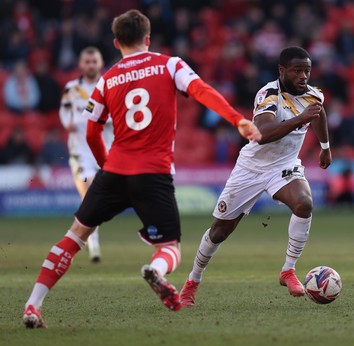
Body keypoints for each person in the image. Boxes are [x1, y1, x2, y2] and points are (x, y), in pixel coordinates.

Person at [22, 9, 261, 328]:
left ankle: (32, 306)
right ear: (148, 38)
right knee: (170, 247)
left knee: (76, 235)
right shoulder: (170, 64)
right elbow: (201, 90)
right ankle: (156, 272)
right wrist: (237, 119)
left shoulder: (106, 79)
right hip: (153, 172)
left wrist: (107, 168)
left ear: (116, 42)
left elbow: (92, 131)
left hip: (115, 170)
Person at [180, 46, 332, 306]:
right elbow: (262, 133)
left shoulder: (314, 95)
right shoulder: (268, 94)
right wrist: (299, 119)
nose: (303, 76)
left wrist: (325, 147)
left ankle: (288, 270)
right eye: (296, 71)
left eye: (306, 70)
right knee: (219, 231)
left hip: (284, 166)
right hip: (251, 168)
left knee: (304, 203)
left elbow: (318, 115)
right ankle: (192, 282)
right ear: (282, 71)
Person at [59, 46, 114, 262]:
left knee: (97, 199)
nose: (91, 65)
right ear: (81, 64)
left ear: (100, 64)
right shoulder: (71, 88)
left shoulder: (108, 85)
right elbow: (64, 110)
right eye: (87, 62)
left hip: (104, 151)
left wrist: (104, 120)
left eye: (94, 62)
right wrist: (68, 123)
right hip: (80, 152)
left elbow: (117, 113)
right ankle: (94, 242)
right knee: (88, 190)